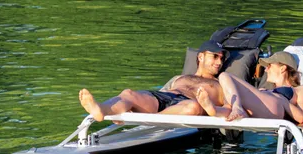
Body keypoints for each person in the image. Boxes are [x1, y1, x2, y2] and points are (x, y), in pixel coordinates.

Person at [78, 40, 227, 121]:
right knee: (129, 94)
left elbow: (231, 108)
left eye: (221, 58)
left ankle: (147, 120)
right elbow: (163, 92)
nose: (219, 62)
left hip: (188, 104)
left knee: (193, 107)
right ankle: (101, 109)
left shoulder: (221, 84)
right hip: (165, 97)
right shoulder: (181, 78)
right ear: (200, 57)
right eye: (214, 56)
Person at [196, 51, 303, 123]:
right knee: (231, 98)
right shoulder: (268, 90)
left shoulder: (301, 89)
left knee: (224, 76)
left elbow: (301, 117)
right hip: (259, 111)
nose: (266, 70)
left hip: (276, 106)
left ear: (283, 68)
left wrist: (284, 102)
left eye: (269, 66)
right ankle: (215, 110)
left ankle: (237, 107)